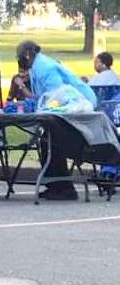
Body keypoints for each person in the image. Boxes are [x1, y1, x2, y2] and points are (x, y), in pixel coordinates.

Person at [17, 40, 97, 201]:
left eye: (19, 57)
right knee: (47, 141)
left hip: (78, 105)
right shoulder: (37, 66)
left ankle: (64, 187)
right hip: (65, 107)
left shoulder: (45, 67)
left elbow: (58, 95)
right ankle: (55, 185)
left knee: (53, 141)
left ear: (26, 55)